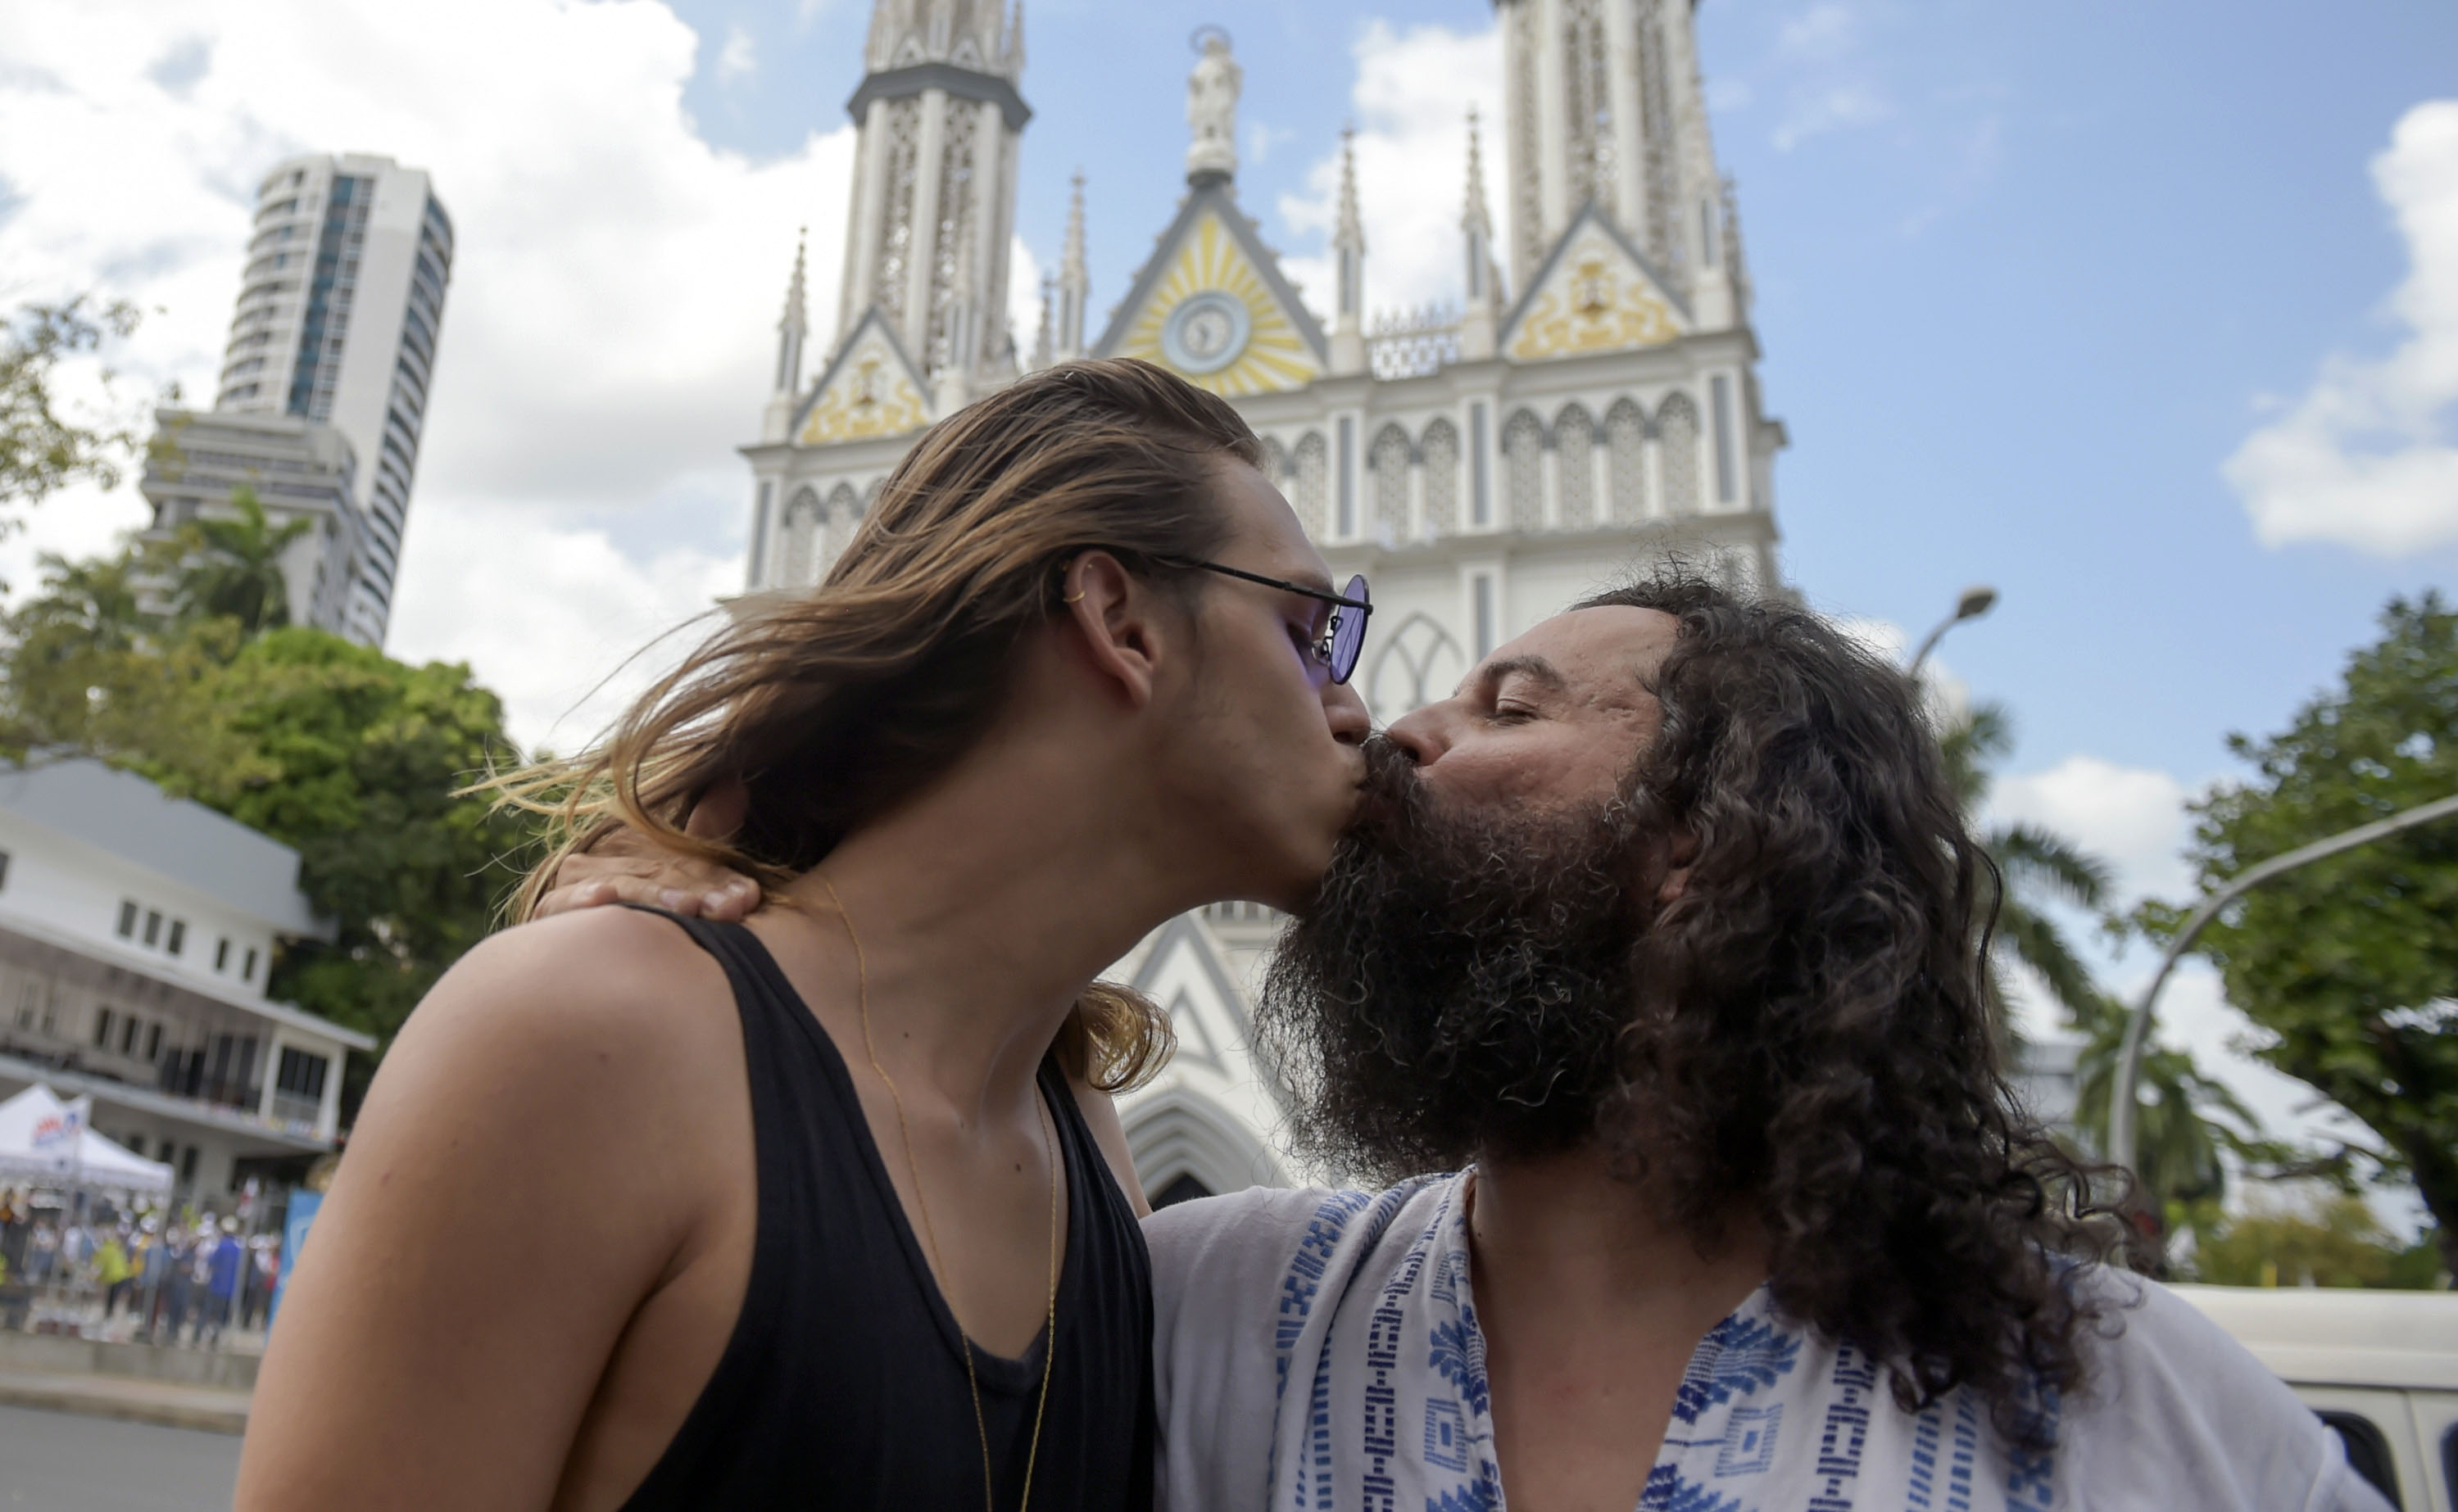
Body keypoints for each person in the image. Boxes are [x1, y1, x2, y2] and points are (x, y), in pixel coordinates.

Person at [572, 577, 2387, 1510]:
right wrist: (753, 918)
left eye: (1508, 703)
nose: (1391, 732)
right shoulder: (1212, 1311)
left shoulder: (2142, 1414)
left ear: (1710, 843)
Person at [237, 358, 1372, 1510]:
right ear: (1121, 622)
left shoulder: (1072, 1127)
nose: (1353, 706)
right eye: (1304, 629)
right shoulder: (596, 1035)